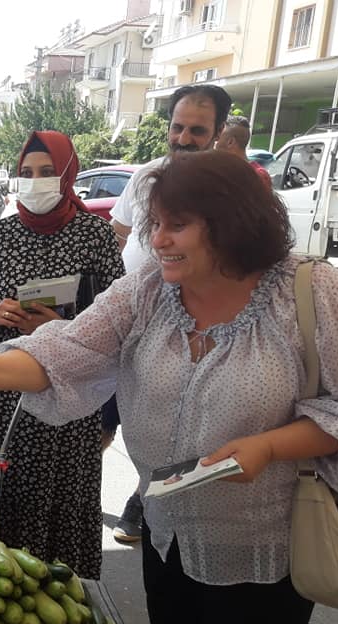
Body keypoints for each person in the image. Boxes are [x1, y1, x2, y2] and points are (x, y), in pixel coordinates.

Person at [0, 150, 338, 624]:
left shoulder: (312, 294)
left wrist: (270, 446)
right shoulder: (148, 289)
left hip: (263, 551)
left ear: (232, 222)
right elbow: (71, 347)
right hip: (167, 535)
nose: (157, 240)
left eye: (176, 225)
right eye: (154, 224)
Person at [0, 131, 124, 579]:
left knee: (59, 492)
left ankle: (60, 591)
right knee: (0, 488)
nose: (35, 181)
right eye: (27, 173)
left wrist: (59, 329)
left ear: (67, 174)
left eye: (47, 172)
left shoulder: (96, 236)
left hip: (69, 391)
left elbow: (119, 316)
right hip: (0, 389)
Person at [109, 84, 232, 543]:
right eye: (177, 127)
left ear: (218, 133)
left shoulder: (232, 189)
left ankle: (146, 504)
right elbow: (117, 235)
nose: (183, 138)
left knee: (176, 429)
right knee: (107, 421)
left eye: (197, 130)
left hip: (198, 333)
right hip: (128, 321)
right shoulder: (145, 177)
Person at [216, 116, 273, 190]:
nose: (215, 142)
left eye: (218, 138)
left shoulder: (258, 176)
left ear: (230, 142)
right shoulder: (219, 171)